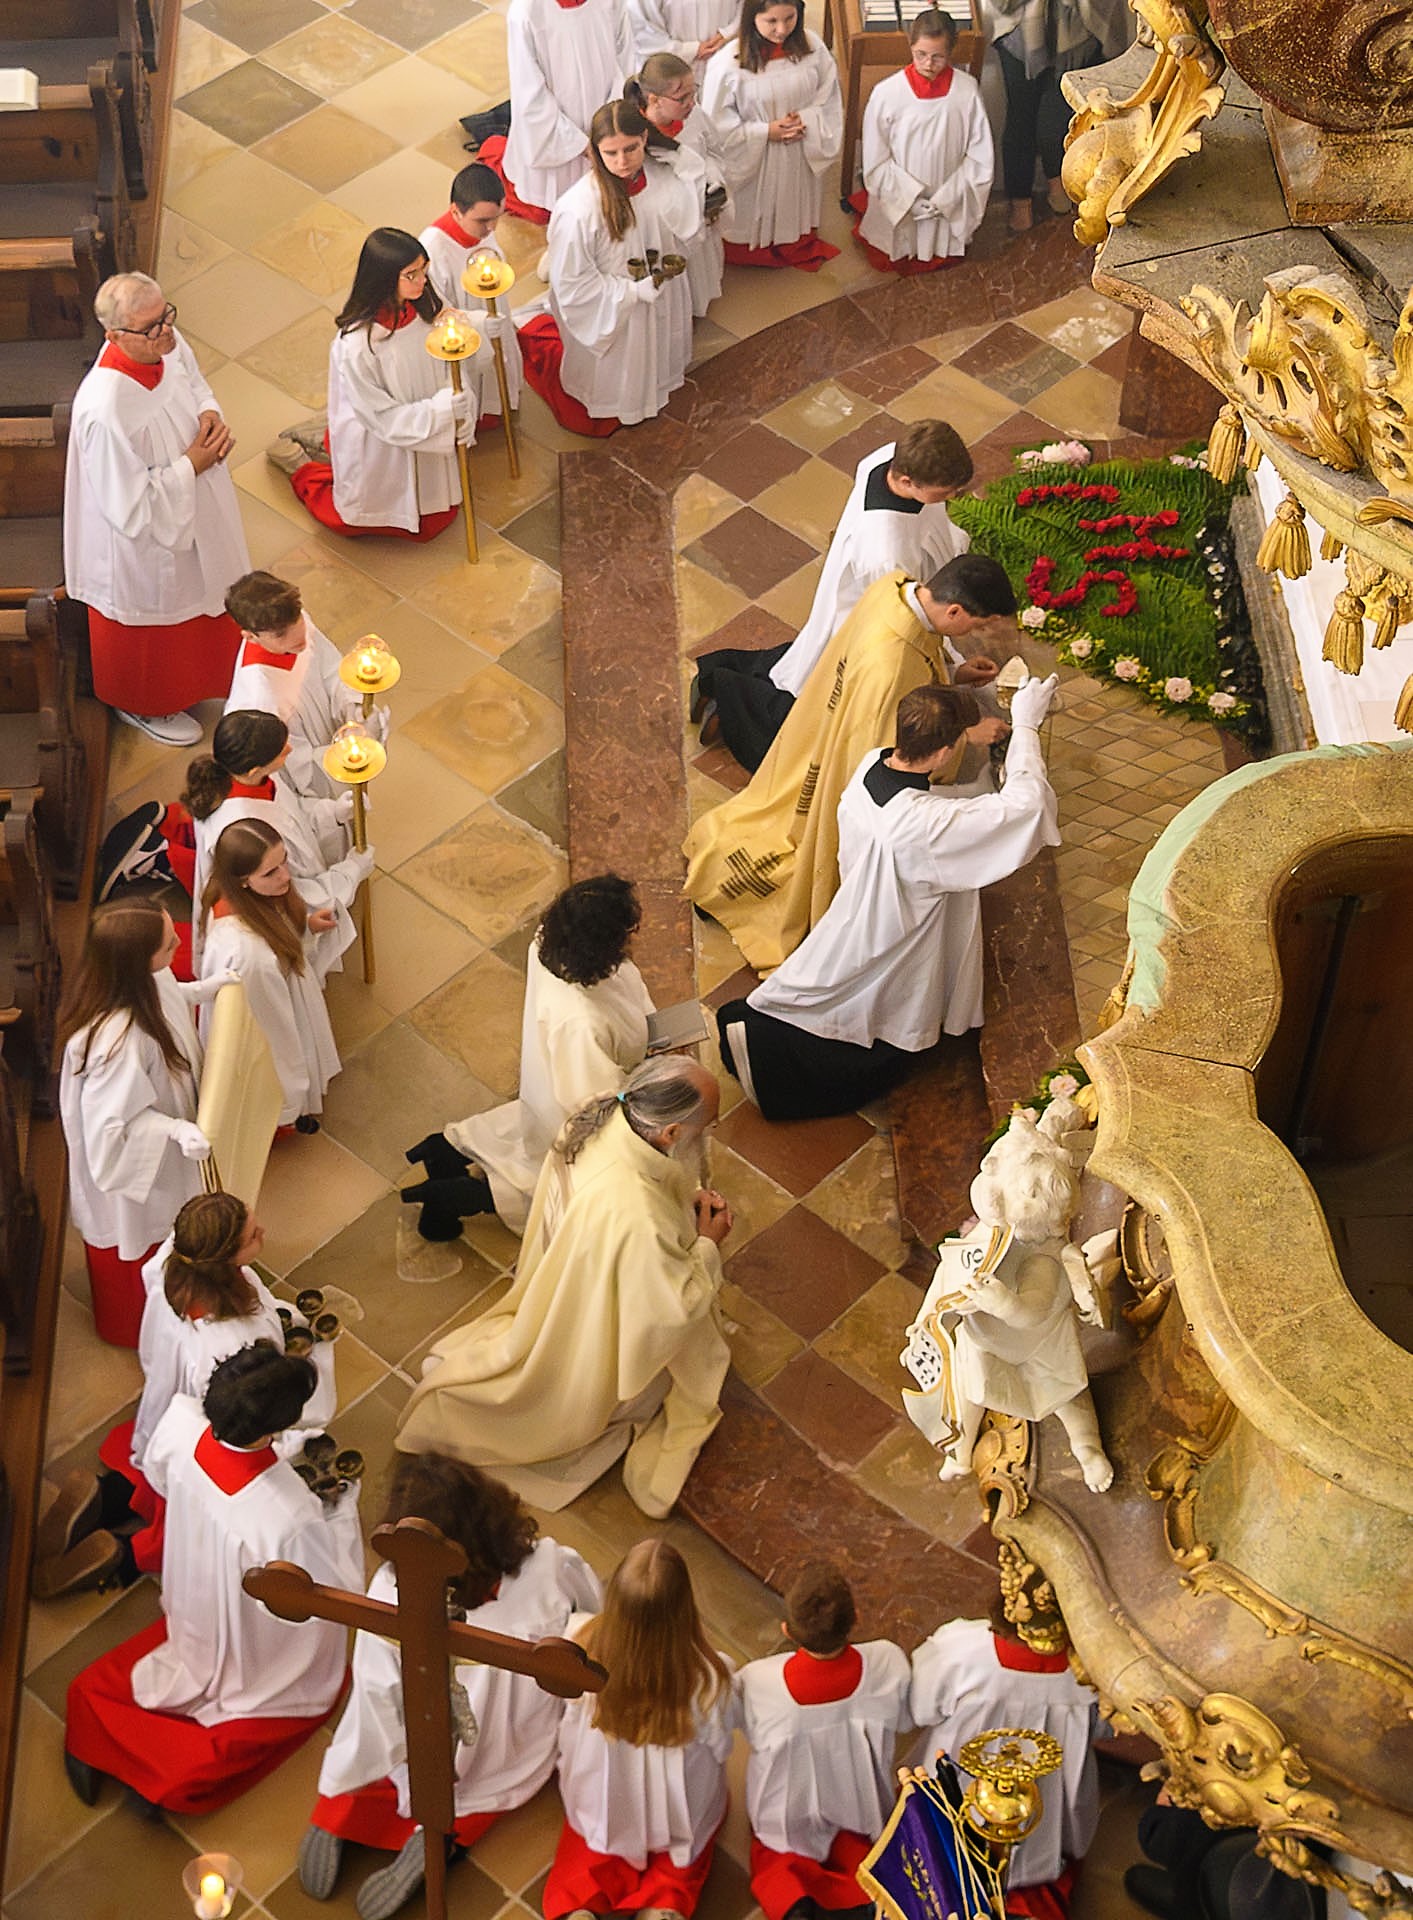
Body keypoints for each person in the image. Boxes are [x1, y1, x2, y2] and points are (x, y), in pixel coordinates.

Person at [395, 1056, 732, 1519]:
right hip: (593, 1304)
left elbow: (639, 1192)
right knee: (663, 1378)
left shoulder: (603, 1111)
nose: (709, 1133)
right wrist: (708, 1245)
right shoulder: (637, 1217)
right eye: (706, 1125)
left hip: (570, 1270)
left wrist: (681, 1200)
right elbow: (670, 1311)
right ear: (670, 1133)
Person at [717, 677, 1060, 1119]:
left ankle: (768, 1038)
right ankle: (776, 1064)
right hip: (901, 923)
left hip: (870, 902)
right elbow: (1025, 808)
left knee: (838, 983)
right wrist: (1027, 728)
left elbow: (934, 802)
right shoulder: (922, 826)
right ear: (942, 752)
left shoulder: (872, 767)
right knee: (876, 1004)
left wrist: (978, 789)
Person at [299, 1455, 603, 1919]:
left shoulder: (388, 1593)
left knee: (383, 1755)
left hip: (421, 1726)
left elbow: (377, 1697)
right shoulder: (548, 1566)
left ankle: (340, 1804)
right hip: (504, 1737)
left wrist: (359, 1761)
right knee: (476, 1782)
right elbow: (591, 1622)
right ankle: (441, 1836)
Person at [64, 1346, 364, 1815]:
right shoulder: (289, 1511)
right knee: (281, 1683)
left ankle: (114, 1747)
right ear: (275, 1427)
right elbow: (323, 1593)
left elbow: (163, 1480)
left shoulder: (181, 1423)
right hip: (251, 1618)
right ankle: (158, 1778)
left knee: (118, 1681)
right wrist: (342, 1513)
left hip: (192, 1586)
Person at [683, 553, 1013, 974]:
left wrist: (954, 674)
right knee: (811, 843)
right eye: (977, 624)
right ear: (954, 610)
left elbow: (917, 672)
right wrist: (964, 735)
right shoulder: (889, 665)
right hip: (846, 755)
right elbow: (890, 751)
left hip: (825, 726)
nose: (975, 634)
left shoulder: (895, 590)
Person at [691, 422, 974, 771]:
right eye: (944, 493)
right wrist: (952, 666)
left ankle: (714, 673)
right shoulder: (887, 552)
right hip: (862, 618)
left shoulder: (888, 456)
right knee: (817, 708)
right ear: (905, 482)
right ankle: (728, 692)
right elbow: (907, 614)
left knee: (802, 663)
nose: (950, 499)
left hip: (849, 591)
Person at [403, 874, 654, 1241]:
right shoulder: (581, 1022)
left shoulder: (549, 941)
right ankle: (454, 1198)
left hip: (549, 1076)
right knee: (558, 1188)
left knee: (524, 1126)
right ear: (601, 943)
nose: (632, 939)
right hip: (571, 1103)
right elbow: (590, 1099)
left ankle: (444, 1149)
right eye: (625, 933)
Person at [99, 1192, 335, 1580]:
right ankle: (131, 1555)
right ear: (224, 1259)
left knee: (155, 1450)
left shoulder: (177, 1256)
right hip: (206, 1413)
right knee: (188, 1494)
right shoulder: (233, 1341)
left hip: (168, 1384)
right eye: (251, 1236)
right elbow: (247, 1401)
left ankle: (116, 1500)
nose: (263, 1232)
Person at [63, 272, 249, 747]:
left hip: (196, 495)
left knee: (209, 589)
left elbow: (191, 375)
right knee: (160, 612)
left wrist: (208, 411)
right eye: (150, 328)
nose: (165, 332)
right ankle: (143, 704)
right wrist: (193, 464)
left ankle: (204, 680)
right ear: (115, 336)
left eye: (167, 316)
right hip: (145, 538)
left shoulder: (162, 339)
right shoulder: (104, 408)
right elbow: (128, 505)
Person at [547, 1540, 737, 1920]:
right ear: (684, 1610)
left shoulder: (577, 1642)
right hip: (674, 1809)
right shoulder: (712, 1678)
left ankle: (580, 1907)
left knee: (590, 1847)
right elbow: (721, 1748)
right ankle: (664, 1905)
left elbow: (565, 1710)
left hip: (603, 1796)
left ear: (613, 1601)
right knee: (686, 1854)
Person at [57, 901, 214, 1348]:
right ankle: (141, 1330)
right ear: (136, 961)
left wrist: (203, 990)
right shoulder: (119, 1044)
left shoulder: (142, 980)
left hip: (166, 1141)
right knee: (150, 1244)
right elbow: (113, 1132)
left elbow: (168, 995)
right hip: (142, 1175)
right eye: (169, 942)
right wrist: (174, 1129)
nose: (181, 942)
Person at [909, 1596, 1100, 1919]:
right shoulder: (1090, 1665)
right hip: (1049, 1788)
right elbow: (1104, 1727)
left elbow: (922, 1708)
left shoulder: (960, 1650)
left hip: (963, 1775)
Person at [739, 1562, 911, 1920]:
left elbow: (737, 1728)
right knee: (868, 1860)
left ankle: (798, 1908)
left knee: (779, 1862)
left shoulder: (757, 1682)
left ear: (787, 1630)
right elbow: (909, 1717)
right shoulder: (888, 1662)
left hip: (789, 1814)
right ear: (857, 1617)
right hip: (859, 1805)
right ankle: (869, 1905)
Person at [520, 100, 702, 437]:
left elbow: (686, 225)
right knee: (620, 369)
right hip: (614, 308)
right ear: (594, 151)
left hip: (659, 293)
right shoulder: (579, 209)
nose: (622, 162)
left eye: (631, 148)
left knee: (657, 349)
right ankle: (617, 401)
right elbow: (571, 283)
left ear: (645, 138)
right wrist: (631, 292)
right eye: (611, 153)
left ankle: (653, 386)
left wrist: (689, 169)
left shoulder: (662, 175)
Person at [275, 229, 470, 540]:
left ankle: (320, 434)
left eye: (424, 270)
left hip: (425, 413)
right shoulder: (358, 343)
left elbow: (446, 347)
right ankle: (298, 463)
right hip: (379, 431)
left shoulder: (423, 301)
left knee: (438, 516)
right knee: (355, 519)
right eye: (411, 275)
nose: (422, 281)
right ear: (384, 279)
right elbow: (379, 416)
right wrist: (441, 411)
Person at [182, 709, 372, 981]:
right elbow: (281, 886)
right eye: (281, 750)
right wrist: (350, 872)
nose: (290, 749)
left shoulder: (256, 777)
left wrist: (332, 812)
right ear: (254, 769)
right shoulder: (240, 829)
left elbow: (292, 814)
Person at [199, 820, 343, 1129]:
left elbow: (274, 927)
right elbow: (278, 1032)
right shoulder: (250, 956)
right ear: (243, 881)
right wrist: (295, 1092)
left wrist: (306, 928)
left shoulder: (233, 893)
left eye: (284, 861)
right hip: (274, 1002)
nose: (286, 876)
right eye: (271, 872)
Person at [223, 570, 388, 805]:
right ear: (250, 637)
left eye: (298, 619)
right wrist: (339, 755)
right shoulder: (259, 698)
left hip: (334, 739)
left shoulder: (293, 622)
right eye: (280, 634)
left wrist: (352, 709)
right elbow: (295, 764)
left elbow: (331, 670)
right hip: (313, 769)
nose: (298, 636)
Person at [702, 0, 843, 270]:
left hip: (800, 144)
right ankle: (751, 249)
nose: (781, 30)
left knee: (792, 198)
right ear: (752, 17)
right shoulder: (728, 64)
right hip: (756, 155)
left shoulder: (812, 47)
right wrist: (765, 132)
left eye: (790, 19)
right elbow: (716, 123)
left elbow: (827, 95)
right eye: (772, 21)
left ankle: (794, 241)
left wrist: (807, 119)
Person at [855, 11, 994, 274]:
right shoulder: (886, 93)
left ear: (951, 50)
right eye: (921, 54)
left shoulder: (966, 91)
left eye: (938, 56)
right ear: (911, 45)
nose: (928, 63)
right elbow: (876, 159)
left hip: (948, 193)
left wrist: (947, 198)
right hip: (902, 197)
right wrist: (908, 199)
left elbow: (979, 156)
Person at [481, 0, 636, 222]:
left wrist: (611, 125)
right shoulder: (526, 11)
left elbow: (626, 55)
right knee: (562, 212)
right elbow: (529, 91)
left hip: (607, 114)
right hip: (558, 125)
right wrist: (580, 144)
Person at [988, 0, 1128, 231]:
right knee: (1020, 116)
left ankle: (1059, 182)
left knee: (1062, 117)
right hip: (1019, 28)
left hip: (1078, 27)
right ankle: (1020, 199)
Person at [416, 162, 523, 417]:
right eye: (483, 220)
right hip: (465, 335)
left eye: (498, 217)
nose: (491, 229)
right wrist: (480, 322)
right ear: (456, 212)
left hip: (494, 319)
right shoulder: (433, 248)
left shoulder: (483, 227)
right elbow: (437, 312)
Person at [629, 55, 731, 315]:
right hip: (662, 228)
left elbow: (716, 151)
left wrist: (711, 183)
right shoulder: (633, 134)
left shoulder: (694, 116)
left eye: (693, 92)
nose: (691, 103)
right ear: (653, 99)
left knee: (697, 277)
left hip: (700, 214)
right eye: (681, 98)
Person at [628, 0, 734, 75]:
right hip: (668, 75)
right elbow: (643, 30)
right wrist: (689, 50)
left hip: (723, 62)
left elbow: (745, 7)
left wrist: (728, 33)